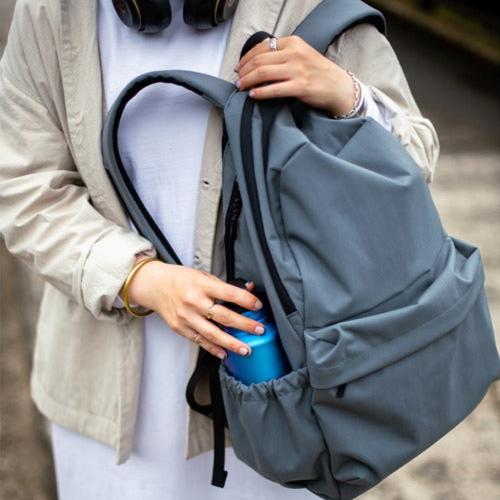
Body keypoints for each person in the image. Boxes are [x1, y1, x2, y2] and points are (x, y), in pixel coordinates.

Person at [0, 0, 440, 498]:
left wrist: (348, 96)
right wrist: (138, 278)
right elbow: (23, 184)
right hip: (105, 411)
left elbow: (415, 159)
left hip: (284, 395)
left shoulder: (310, 5)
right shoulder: (50, 13)